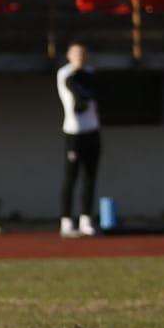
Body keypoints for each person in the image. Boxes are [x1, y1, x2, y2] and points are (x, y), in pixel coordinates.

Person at [56, 42, 101, 237]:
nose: (80, 57)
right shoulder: (65, 74)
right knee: (70, 177)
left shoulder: (91, 73)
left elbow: (99, 92)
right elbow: (81, 95)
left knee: (90, 176)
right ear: (68, 56)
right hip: (74, 132)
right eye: (76, 54)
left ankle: (85, 219)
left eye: (83, 54)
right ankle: (66, 220)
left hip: (92, 130)